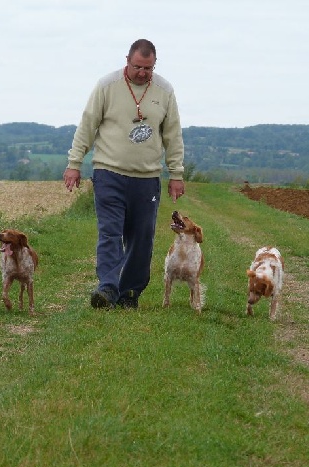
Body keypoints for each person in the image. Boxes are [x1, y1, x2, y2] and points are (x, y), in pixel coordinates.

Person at [63, 39, 185, 310]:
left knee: (141, 237)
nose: (143, 73)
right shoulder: (107, 86)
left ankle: (130, 292)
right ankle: (107, 288)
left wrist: (176, 173)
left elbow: (173, 135)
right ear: (127, 61)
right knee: (110, 232)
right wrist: (74, 163)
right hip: (109, 173)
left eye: (149, 68)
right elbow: (87, 126)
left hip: (147, 177)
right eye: (138, 67)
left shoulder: (164, 91)